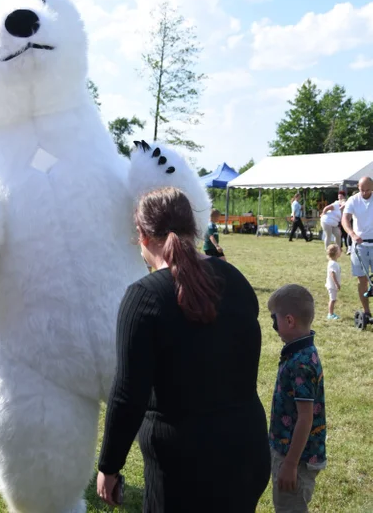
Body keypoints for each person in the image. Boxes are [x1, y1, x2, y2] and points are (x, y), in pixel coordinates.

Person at [97, 187, 270, 512]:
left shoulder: (144, 296)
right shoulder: (235, 280)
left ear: (143, 237)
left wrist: (109, 466)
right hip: (247, 447)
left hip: (183, 465)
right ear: (194, 228)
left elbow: (127, 394)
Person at [268, 284, 326, 513]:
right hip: (288, 451)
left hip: (297, 459)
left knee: (289, 508)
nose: (274, 327)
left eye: (275, 320)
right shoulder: (299, 351)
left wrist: (290, 464)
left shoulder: (300, 362)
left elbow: (305, 418)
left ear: (289, 320)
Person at [342, 176, 373, 317]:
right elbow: (345, 219)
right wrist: (352, 234)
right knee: (362, 279)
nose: (365, 193)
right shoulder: (353, 200)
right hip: (359, 245)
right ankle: (367, 312)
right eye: (362, 190)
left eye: (367, 190)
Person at [325, 243, 341, 320]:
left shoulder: (334, 263)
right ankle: (330, 314)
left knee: (333, 299)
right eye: (339, 250)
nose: (340, 251)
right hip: (332, 285)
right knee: (332, 299)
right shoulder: (333, 264)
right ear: (335, 253)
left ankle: (331, 313)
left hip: (332, 285)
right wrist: (336, 284)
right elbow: (332, 274)